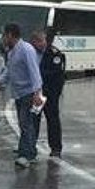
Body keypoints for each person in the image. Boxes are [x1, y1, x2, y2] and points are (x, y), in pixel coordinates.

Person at [0, 23, 44, 168]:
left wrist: (37, 92)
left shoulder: (26, 49)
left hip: (28, 92)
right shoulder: (12, 51)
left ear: (10, 35)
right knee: (23, 123)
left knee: (26, 123)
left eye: (4, 35)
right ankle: (25, 150)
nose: (3, 39)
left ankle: (28, 155)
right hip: (19, 93)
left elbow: (34, 71)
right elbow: (9, 71)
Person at [30, 30, 65, 158]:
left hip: (50, 92)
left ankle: (56, 147)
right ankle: (30, 145)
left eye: (43, 40)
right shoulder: (31, 53)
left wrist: (37, 74)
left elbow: (56, 73)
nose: (41, 44)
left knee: (53, 120)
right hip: (36, 92)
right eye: (38, 41)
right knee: (33, 120)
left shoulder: (54, 54)